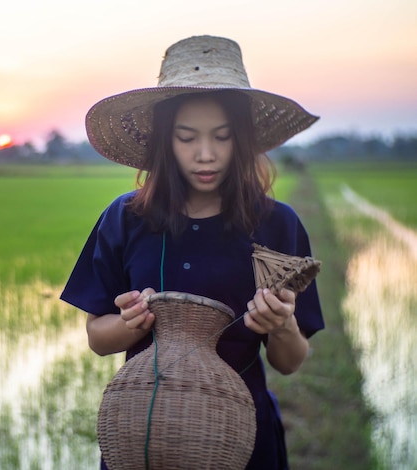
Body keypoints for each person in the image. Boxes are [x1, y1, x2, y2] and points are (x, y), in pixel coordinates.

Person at [60, 35, 324, 469]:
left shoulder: (277, 223)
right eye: (187, 138)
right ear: (165, 142)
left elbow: (290, 362)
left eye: (222, 137)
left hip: (241, 435)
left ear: (242, 140)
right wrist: (131, 323)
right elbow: (97, 338)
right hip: (140, 434)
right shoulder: (126, 219)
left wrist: (280, 326)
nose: (206, 155)